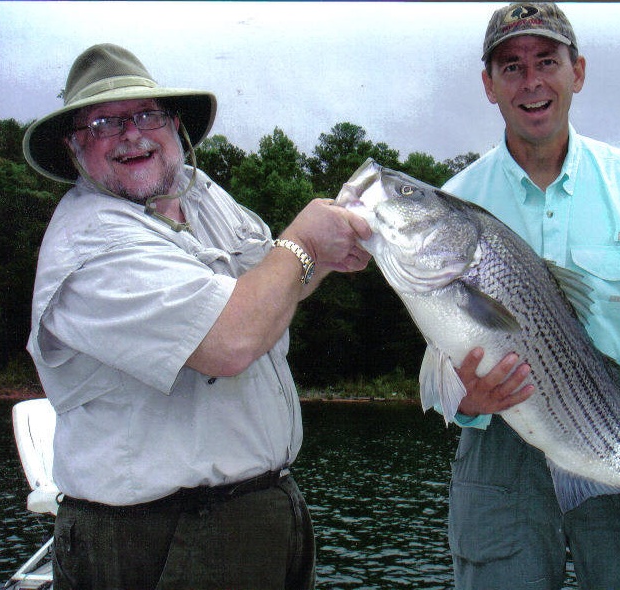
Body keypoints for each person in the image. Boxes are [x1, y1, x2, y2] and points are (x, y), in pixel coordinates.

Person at [22, 43, 370, 589]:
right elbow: (230, 341)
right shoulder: (92, 244)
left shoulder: (200, 193)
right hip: (159, 538)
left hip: (263, 514)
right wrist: (304, 242)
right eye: (104, 123)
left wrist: (322, 259)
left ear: (175, 126)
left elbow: (267, 294)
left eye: (146, 115)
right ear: (74, 148)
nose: (131, 133)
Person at [442, 4, 620, 589]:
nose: (532, 81)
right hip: (499, 444)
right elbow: (437, 361)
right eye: (511, 67)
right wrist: (465, 400)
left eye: (548, 61)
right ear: (488, 85)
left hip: (619, 434)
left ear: (579, 71)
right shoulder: (453, 205)